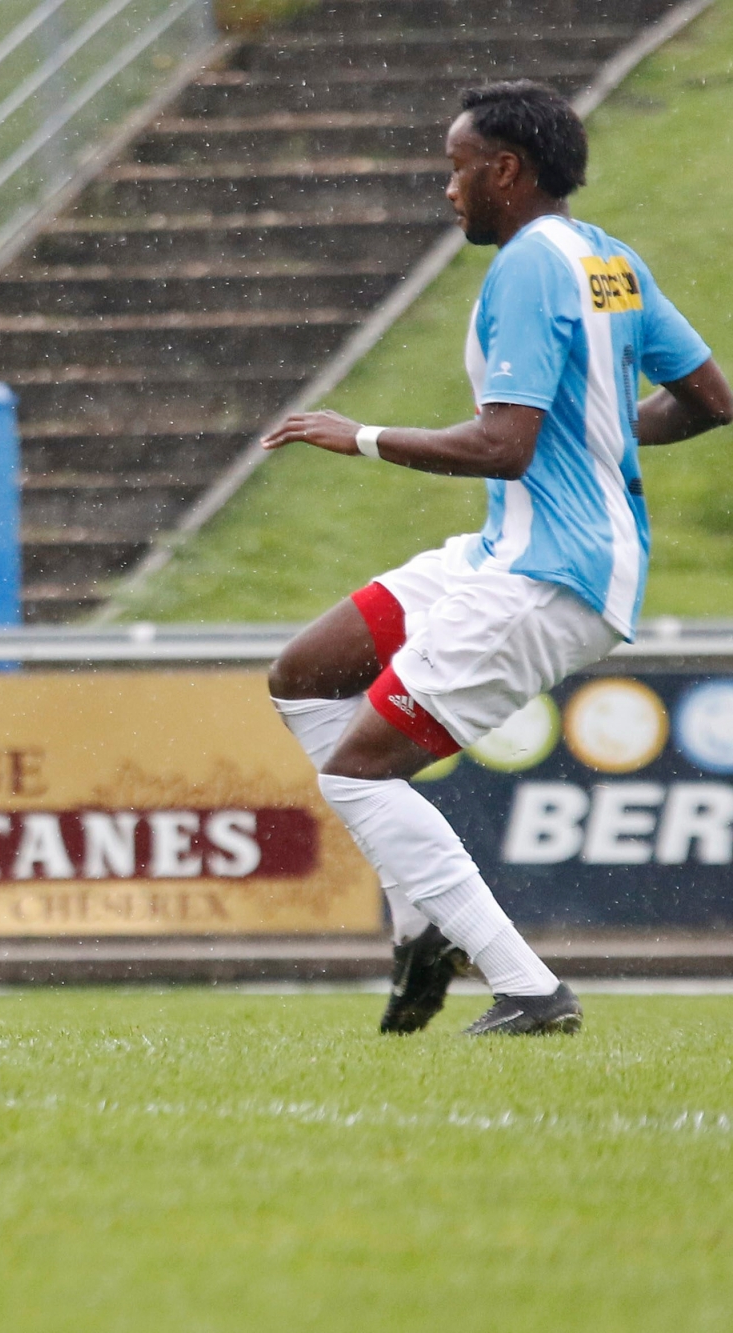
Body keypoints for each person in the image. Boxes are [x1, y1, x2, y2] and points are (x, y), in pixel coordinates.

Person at [261, 81, 732, 1036]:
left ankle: (526, 987)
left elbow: (501, 445)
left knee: (357, 772)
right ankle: (424, 923)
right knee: (306, 676)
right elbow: (711, 398)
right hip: (508, 550)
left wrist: (359, 436)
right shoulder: (610, 259)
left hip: (549, 571)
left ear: (505, 171)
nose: (450, 190)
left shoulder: (527, 268)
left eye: (457, 168)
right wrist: (600, 444)